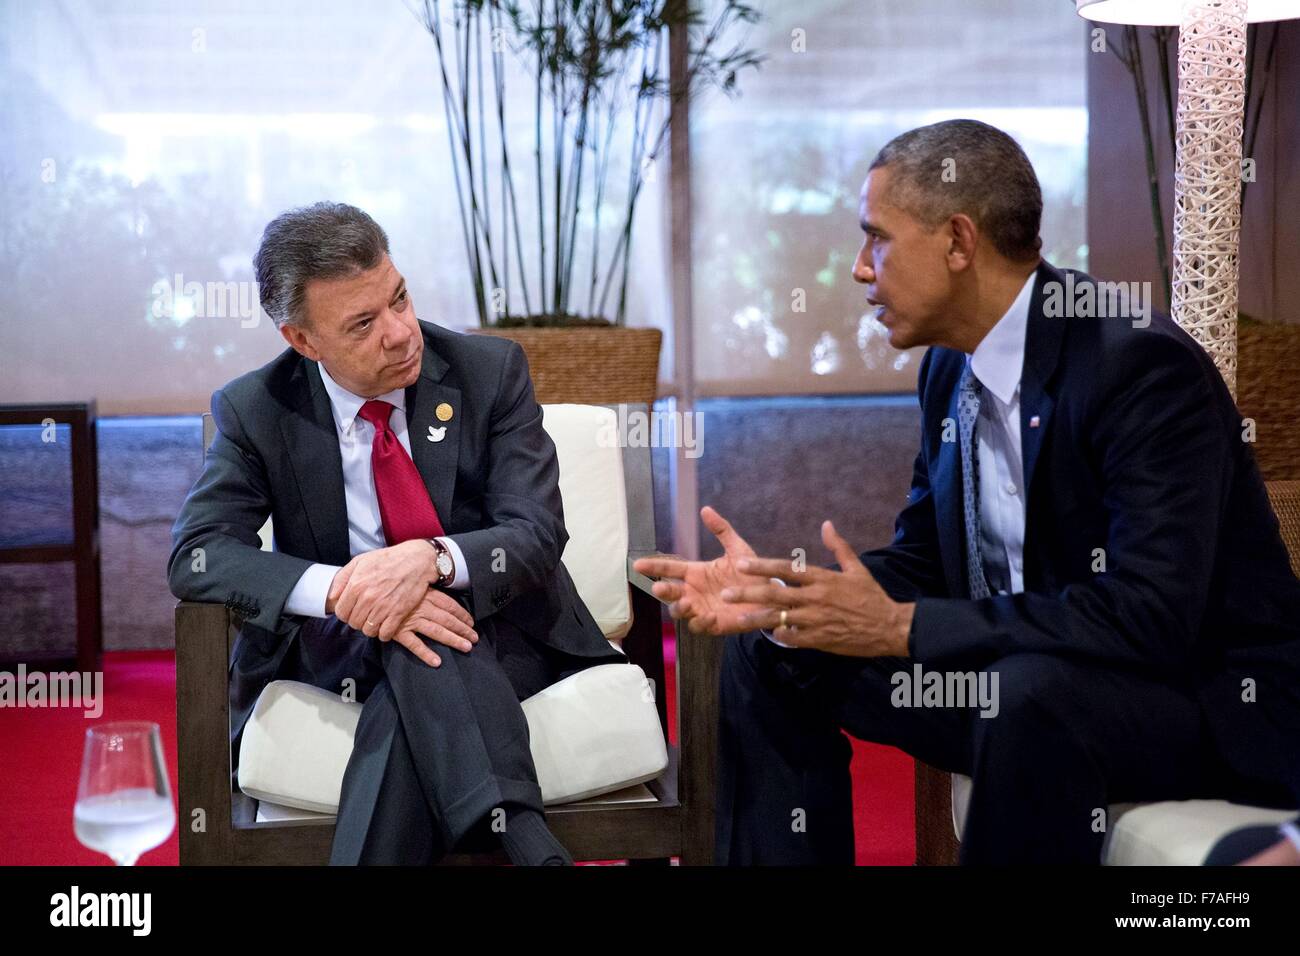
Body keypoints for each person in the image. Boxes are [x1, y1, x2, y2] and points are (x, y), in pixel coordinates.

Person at [636, 119, 1300, 865]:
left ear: (957, 242)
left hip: (1195, 700)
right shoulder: (951, 370)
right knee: (777, 648)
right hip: (1032, 675)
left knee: (1026, 696)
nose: (860, 269)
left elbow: (1151, 618)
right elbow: (925, 563)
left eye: (876, 238)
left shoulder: (1137, 368)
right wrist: (788, 595)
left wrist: (904, 631)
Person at [168, 202, 625, 865]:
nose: (401, 332)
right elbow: (198, 555)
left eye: (400, 298)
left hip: (503, 629)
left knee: (423, 644)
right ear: (302, 340)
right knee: (416, 631)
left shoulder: (488, 372)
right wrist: (347, 588)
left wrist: (431, 562)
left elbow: (534, 532)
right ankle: (525, 846)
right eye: (363, 323)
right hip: (339, 644)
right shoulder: (257, 409)